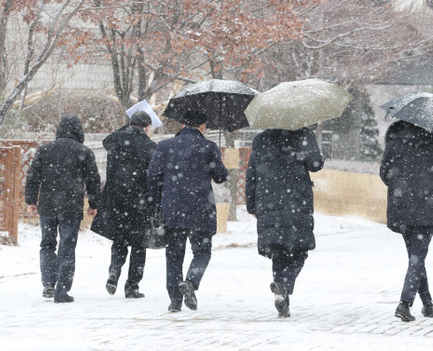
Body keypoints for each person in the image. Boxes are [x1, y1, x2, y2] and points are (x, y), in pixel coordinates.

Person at [147, 109, 228, 313]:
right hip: (201, 208)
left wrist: (159, 200)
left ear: (182, 125)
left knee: (174, 255)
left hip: (173, 208)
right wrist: (217, 160)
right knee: (202, 251)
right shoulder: (209, 147)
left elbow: (152, 176)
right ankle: (191, 282)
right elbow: (220, 177)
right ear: (202, 126)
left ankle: (175, 300)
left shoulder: (165, 146)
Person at [379, 121, 433, 322]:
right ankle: (405, 303)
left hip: (402, 206)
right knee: (417, 256)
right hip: (427, 206)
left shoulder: (394, 143)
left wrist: (401, 184)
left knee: (415, 257)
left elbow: (385, 174)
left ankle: (428, 303)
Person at [245, 127, 324, 318]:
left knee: (278, 251)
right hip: (297, 201)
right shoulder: (303, 135)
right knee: (299, 251)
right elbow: (315, 164)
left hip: (268, 201)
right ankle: (285, 286)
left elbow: (252, 174)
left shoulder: (261, 140)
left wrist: (251, 205)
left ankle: (282, 297)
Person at [24, 115, 101, 303]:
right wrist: (93, 204)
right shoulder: (83, 151)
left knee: (47, 244)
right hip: (71, 206)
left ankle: (49, 284)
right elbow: (93, 180)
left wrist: (31, 201)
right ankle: (62, 290)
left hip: (48, 205)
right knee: (67, 246)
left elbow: (33, 177)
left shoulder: (45, 150)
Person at [91, 111, 157, 298]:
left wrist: (126, 128)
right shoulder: (151, 146)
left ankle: (114, 271)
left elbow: (107, 140)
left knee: (119, 240)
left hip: (116, 200)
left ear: (130, 124)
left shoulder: (116, 140)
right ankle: (132, 286)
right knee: (138, 245)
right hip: (140, 202)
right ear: (148, 127)